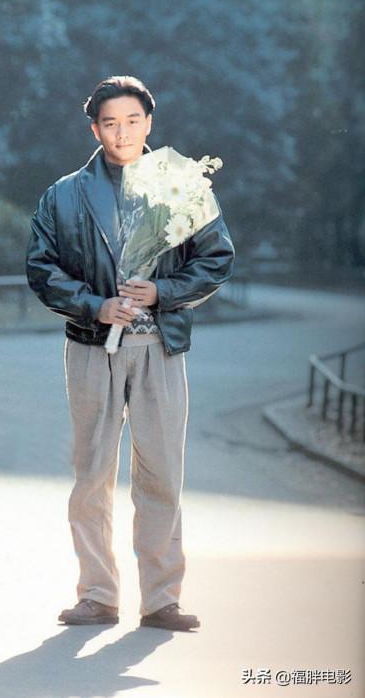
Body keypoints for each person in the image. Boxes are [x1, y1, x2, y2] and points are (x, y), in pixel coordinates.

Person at [26, 75, 234, 630]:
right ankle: (97, 593)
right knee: (91, 473)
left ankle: (162, 598)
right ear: (95, 128)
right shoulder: (65, 193)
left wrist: (163, 292)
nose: (123, 132)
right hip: (93, 348)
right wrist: (95, 305)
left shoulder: (184, 184)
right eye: (110, 122)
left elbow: (215, 258)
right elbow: (41, 268)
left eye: (133, 120)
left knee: (162, 472)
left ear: (150, 123)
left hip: (160, 348)